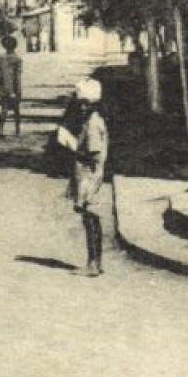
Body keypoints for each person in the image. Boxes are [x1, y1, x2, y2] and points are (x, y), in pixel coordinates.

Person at [65, 77, 110, 278]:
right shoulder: (95, 119)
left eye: (82, 104)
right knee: (92, 218)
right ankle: (96, 262)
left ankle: (92, 263)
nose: (80, 107)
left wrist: (70, 145)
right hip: (92, 175)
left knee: (89, 219)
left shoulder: (92, 124)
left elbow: (92, 153)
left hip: (89, 177)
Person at [0, 35, 24, 136]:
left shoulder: (1, 58)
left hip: (4, 87)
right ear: (15, 46)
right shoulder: (18, 59)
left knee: (4, 109)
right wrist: (17, 91)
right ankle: (17, 130)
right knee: (16, 110)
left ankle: (1, 129)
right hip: (13, 88)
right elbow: (17, 77)